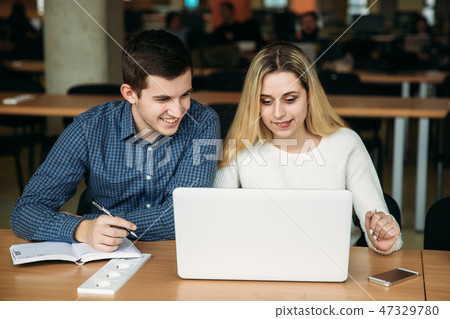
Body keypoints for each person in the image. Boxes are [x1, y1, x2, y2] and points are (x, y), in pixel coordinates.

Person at [11, 30, 220, 252]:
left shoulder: (203, 121)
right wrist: (83, 229)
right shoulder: (89, 127)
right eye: (163, 99)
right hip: (98, 255)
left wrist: (98, 223)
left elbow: (185, 214)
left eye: (185, 95)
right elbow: (25, 212)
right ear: (130, 94)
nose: (178, 111)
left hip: (171, 253)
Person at [213, 42, 402, 255]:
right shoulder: (239, 148)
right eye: (266, 101)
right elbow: (214, 229)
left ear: (310, 95)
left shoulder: (346, 144)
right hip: (261, 269)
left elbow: (385, 236)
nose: (278, 113)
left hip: (335, 271)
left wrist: (383, 240)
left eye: (290, 99)